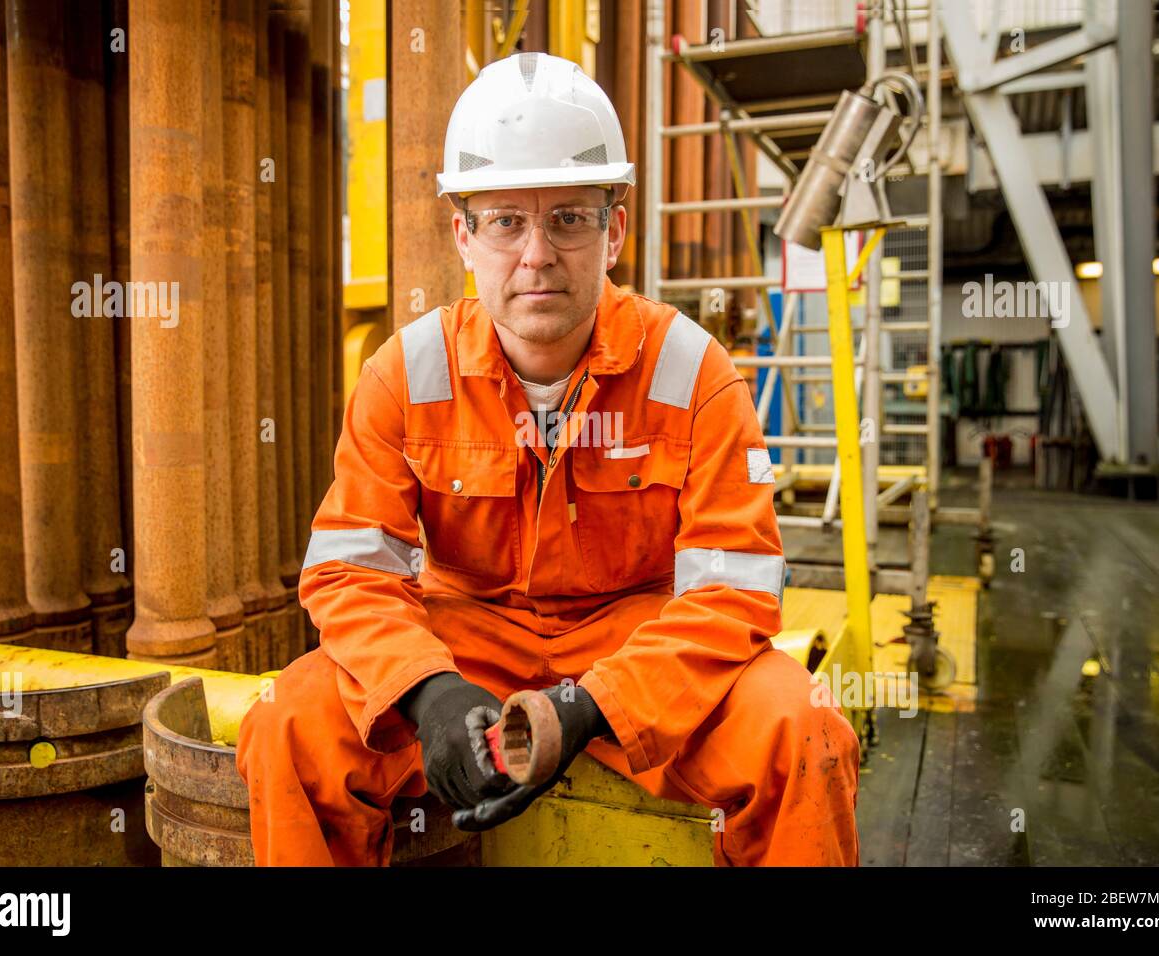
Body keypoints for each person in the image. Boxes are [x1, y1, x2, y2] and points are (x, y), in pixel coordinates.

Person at [236, 51, 860, 866]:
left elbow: (732, 597)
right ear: (463, 235)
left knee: (803, 728)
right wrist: (428, 694)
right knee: (292, 721)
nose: (536, 254)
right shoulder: (403, 372)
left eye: (568, 217)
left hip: (643, 649)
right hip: (463, 645)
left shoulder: (695, 372)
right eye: (505, 221)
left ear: (614, 232)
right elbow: (350, 574)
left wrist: (591, 709)